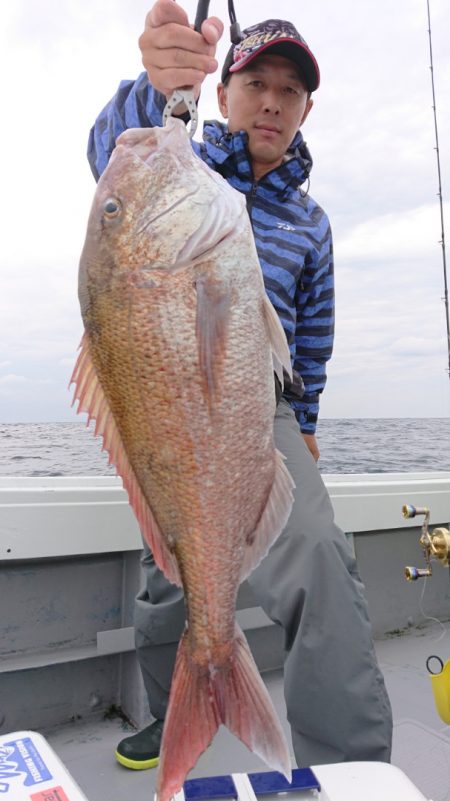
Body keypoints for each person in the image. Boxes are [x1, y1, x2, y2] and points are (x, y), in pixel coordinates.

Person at [87, 0, 393, 771]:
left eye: (290, 92)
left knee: (321, 553)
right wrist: (158, 80)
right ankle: (176, 710)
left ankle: (348, 764)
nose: (271, 101)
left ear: (306, 111)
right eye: (256, 81)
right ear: (223, 93)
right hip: (170, 402)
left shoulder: (312, 223)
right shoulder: (183, 159)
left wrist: (310, 424)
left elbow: (312, 337)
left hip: (264, 403)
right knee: (170, 582)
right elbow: (109, 149)